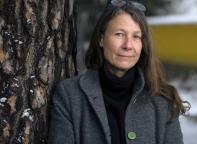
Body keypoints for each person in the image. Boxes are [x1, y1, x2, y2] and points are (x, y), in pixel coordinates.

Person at [48, 0, 189, 144]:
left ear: (143, 44)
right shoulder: (69, 95)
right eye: (119, 34)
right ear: (101, 39)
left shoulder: (163, 101)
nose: (128, 45)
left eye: (136, 37)